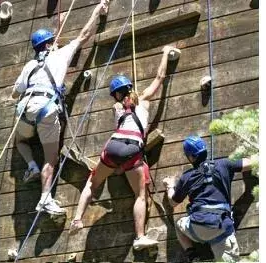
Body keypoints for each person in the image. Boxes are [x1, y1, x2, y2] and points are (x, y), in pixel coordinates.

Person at [69, 45, 180, 250]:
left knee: (92, 184)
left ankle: (77, 218)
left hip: (114, 146)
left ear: (115, 95)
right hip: (133, 150)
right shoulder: (144, 100)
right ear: (130, 87)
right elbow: (160, 76)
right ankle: (139, 237)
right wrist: (165, 53)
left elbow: (120, 112)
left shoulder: (117, 108)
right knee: (140, 195)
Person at [11, 0, 110, 216]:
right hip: (47, 110)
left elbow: (14, 92)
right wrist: (97, 10)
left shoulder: (29, 66)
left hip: (25, 110)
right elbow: (84, 35)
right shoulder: (60, 55)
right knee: (51, 158)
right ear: (49, 45)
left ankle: (31, 166)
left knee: (20, 141)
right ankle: (45, 199)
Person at [162, 135, 255, 262]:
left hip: (197, 227)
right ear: (205, 150)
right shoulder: (224, 163)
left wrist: (170, 185)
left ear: (190, 157)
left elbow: (172, 202)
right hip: (221, 227)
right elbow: (252, 162)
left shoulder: (187, 177)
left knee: (179, 224)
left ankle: (192, 255)